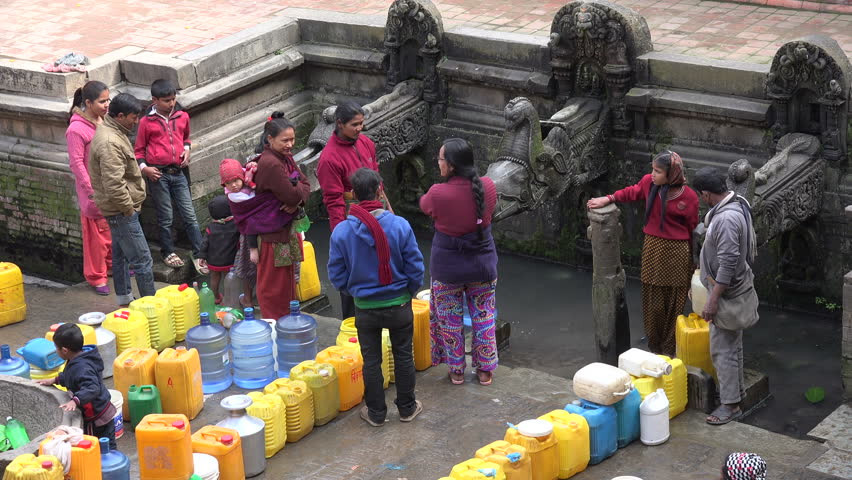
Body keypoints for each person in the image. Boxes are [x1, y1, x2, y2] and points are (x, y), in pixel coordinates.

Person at [328, 168, 424, 426]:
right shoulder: (399, 225)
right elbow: (415, 267)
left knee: (371, 361)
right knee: (404, 356)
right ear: (380, 189)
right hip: (399, 304)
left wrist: (356, 291)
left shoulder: (342, 232)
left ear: (352, 195)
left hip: (365, 307)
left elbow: (336, 275)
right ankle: (406, 408)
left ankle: (376, 413)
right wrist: (407, 292)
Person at [587, 151, 699, 356]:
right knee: (652, 299)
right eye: (652, 170)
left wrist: (694, 263)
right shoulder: (649, 183)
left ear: (671, 174)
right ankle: (655, 345)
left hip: (678, 252)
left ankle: (669, 347)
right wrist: (608, 198)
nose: (653, 174)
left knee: (675, 299)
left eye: (658, 171)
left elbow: (692, 230)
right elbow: (633, 192)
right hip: (653, 248)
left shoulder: (689, 197)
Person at [420, 138, 498, 386]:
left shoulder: (437, 193)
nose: (438, 163)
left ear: (451, 165)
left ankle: (456, 371)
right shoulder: (488, 186)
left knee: (449, 318)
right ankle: (485, 371)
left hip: (447, 268)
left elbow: (425, 206)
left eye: (441, 159)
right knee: (484, 314)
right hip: (482, 264)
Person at [693, 167, 759, 426]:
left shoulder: (726, 219)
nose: (701, 200)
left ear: (707, 194)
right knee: (733, 343)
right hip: (732, 288)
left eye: (701, 196)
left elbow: (728, 263)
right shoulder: (736, 203)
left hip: (728, 292)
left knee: (722, 349)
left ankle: (729, 405)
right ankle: (737, 395)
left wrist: (712, 300)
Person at [317, 101, 388, 319]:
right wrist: (340, 233)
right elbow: (334, 200)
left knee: (380, 260)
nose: (360, 128)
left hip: (377, 206)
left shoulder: (366, 143)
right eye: (354, 124)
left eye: (361, 123)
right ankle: (350, 320)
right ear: (339, 124)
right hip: (353, 216)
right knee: (354, 265)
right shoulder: (329, 158)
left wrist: (387, 208)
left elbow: (376, 175)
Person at [88, 93, 156, 305]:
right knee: (142, 259)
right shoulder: (110, 141)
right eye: (133, 118)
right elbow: (114, 185)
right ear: (119, 116)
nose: (136, 122)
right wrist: (128, 209)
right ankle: (150, 306)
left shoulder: (115, 131)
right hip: (121, 211)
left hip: (118, 209)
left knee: (120, 256)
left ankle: (125, 298)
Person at [134, 78, 204, 273]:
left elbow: (186, 138)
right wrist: (145, 169)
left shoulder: (182, 116)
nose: (171, 104)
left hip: (178, 172)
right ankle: (167, 251)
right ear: (154, 100)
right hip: (158, 175)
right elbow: (138, 150)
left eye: (173, 99)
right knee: (165, 216)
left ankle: (200, 252)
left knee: (189, 214)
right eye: (166, 100)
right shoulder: (146, 122)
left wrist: (187, 151)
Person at [253, 112, 311, 319]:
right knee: (273, 287)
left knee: (286, 284)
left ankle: (287, 323)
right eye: (285, 140)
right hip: (273, 235)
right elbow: (292, 193)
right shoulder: (272, 163)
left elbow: (306, 184)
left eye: (292, 139)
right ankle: (275, 325)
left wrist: (296, 201)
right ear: (270, 139)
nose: (290, 144)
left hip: (284, 232)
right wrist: (296, 198)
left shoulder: (285, 158)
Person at [36, 323, 117, 449]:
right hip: (100, 410)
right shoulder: (79, 358)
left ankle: (108, 464)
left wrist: (75, 401)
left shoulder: (82, 367)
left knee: (99, 445)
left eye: (56, 348)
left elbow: (92, 388)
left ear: (64, 350)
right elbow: (73, 377)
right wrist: (54, 380)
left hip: (96, 416)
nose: (56, 351)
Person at [66, 80, 113, 295]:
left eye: (108, 100)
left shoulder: (102, 120)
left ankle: (112, 266)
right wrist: (91, 190)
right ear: (88, 103)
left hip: (110, 186)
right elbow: (76, 163)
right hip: (93, 192)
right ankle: (97, 277)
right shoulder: (76, 129)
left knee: (112, 230)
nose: (106, 104)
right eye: (102, 101)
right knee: (96, 238)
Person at [198, 195, 240, 304]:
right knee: (228, 279)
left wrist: (202, 256)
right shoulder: (235, 225)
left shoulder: (211, 227)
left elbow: (205, 243)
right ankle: (227, 298)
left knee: (214, 278)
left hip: (213, 260)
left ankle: (216, 297)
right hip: (229, 260)